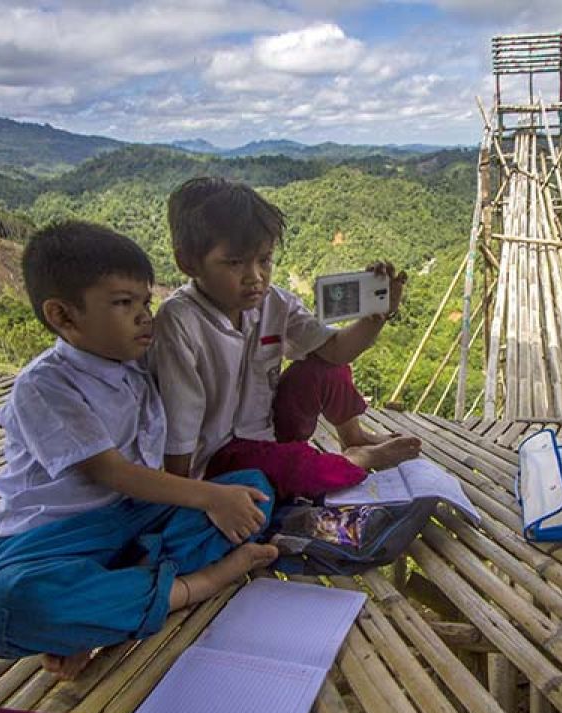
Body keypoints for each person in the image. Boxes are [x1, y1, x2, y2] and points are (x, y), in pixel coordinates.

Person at [0, 221, 279, 680]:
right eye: (123, 303)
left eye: (145, 302)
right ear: (63, 316)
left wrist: (221, 495)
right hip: (56, 541)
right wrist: (208, 496)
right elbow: (108, 471)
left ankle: (108, 611)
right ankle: (196, 585)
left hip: (138, 521)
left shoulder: (136, 364)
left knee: (252, 492)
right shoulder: (45, 384)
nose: (143, 316)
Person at [150, 177, 420, 500]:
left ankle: (354, 437)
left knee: (326, 366)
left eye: (264, 259)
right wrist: (185, 495)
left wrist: (377, 316)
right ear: (188, 263)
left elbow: (336, 350)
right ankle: (357, 459)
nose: (255, 276)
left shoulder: (275, 302)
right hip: (219, 460)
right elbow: (180, 427)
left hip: (269, 432)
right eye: (235, 263)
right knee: (297, 468)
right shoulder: (178, 321)